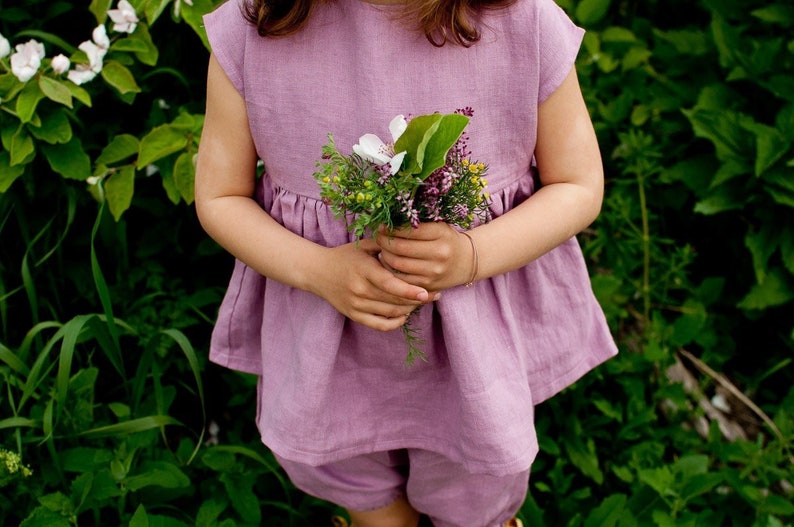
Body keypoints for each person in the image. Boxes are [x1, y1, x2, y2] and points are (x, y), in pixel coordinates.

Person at [194, 0, 618, 523]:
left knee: (475, 487)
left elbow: (578, 184)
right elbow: (219, 197)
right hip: (330, 347)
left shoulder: (521, 19)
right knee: (358, 481)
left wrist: (471, 253)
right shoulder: (257, 23)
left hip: (473, 349)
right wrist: (320, 271)